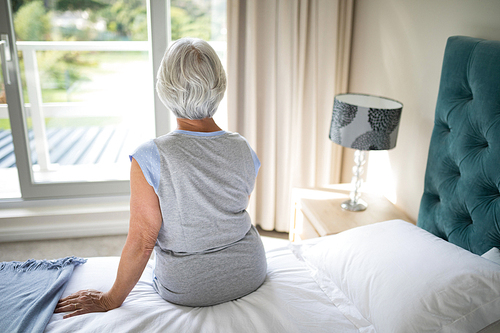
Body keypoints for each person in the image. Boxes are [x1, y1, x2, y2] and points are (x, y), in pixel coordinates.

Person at [54, 38, 267, 318]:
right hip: (251, 271)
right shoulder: (243, 147)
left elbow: (143, 242)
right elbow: (232, 209)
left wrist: (110, 299)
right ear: (219, 85)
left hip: (189, 288)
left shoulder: (150, 156)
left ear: (165, 88)